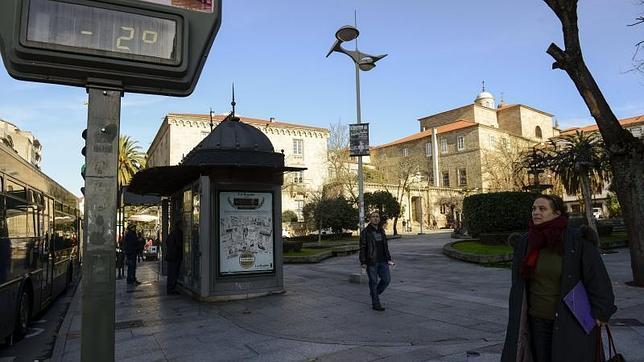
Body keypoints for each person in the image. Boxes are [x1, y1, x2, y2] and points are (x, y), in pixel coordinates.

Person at [501, 194, 616, 362]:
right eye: (534, 209)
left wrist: (601, 312)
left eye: (542, 209)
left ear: (556, 213)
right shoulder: (526, 242)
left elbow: (597, 278)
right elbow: (519, 284)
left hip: (570, 319)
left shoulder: (576, 240)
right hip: (536, 320)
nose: (536, 213)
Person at [359, 211, 394, 311]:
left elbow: (385, 246)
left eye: (377, 217)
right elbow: (362, 247)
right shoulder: (365, 232)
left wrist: (389, 258)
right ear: (370, 219)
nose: (375, 218)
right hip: (372, 261)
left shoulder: (381, 231)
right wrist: (363, 262)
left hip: (383, 260)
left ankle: (374, 294)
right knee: (373, 282)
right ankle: (376, 303)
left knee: (386, 280)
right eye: (373, 217)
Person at [165, 221, 183, 295]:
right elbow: (179, 244)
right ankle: (171, 289)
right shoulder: (178, 233)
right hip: (175, 256)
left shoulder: (172, 233)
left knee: (171, 273)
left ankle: (170, 288)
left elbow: (167, 242)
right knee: (174, 273)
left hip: (171, 256)